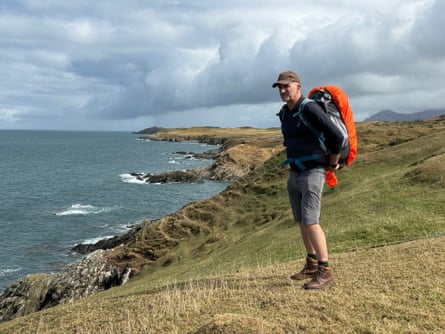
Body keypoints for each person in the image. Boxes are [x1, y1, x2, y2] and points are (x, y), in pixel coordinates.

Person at [272, 70, 343, 289]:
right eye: (280, 87)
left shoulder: (309, 108)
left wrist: (332, 163)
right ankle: (311, 264)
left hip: (313, 171)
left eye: (287, 86)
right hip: (295, 172)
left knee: (311, 220)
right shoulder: (285, 113)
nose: (283, 90)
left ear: (298, 87)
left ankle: (325, 272)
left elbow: (337, 136)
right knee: (302, 220)